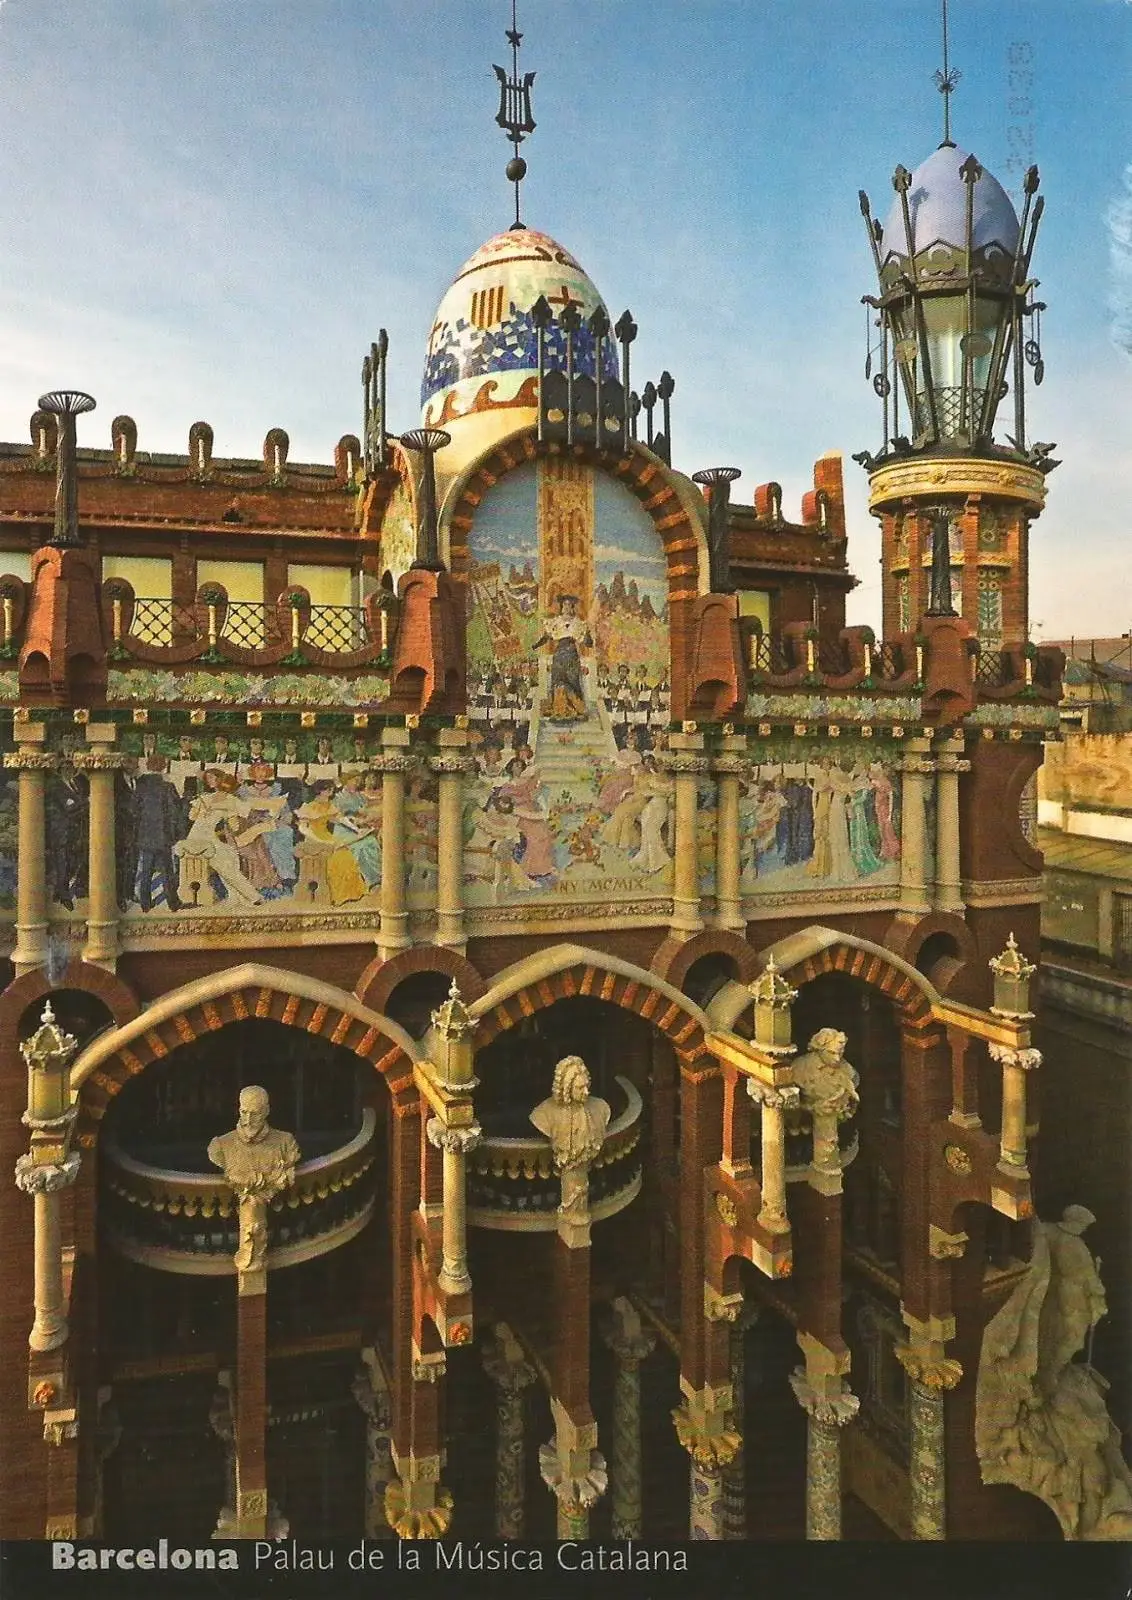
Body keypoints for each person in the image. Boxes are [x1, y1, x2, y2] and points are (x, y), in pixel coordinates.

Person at [534, 593, 591, 721]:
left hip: (571, 654)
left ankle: (577, 709)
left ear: (572, 607)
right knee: (557, 680)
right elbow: (547, 636)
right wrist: (535, 645)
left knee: (573, 681)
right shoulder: (555, 621)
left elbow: (588, 643)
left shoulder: (579, 623)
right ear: (561, 606)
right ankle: (558, 709)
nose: (566, 607)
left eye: (569, 605)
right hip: (559, 654)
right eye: (564, 604)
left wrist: (588, 635)